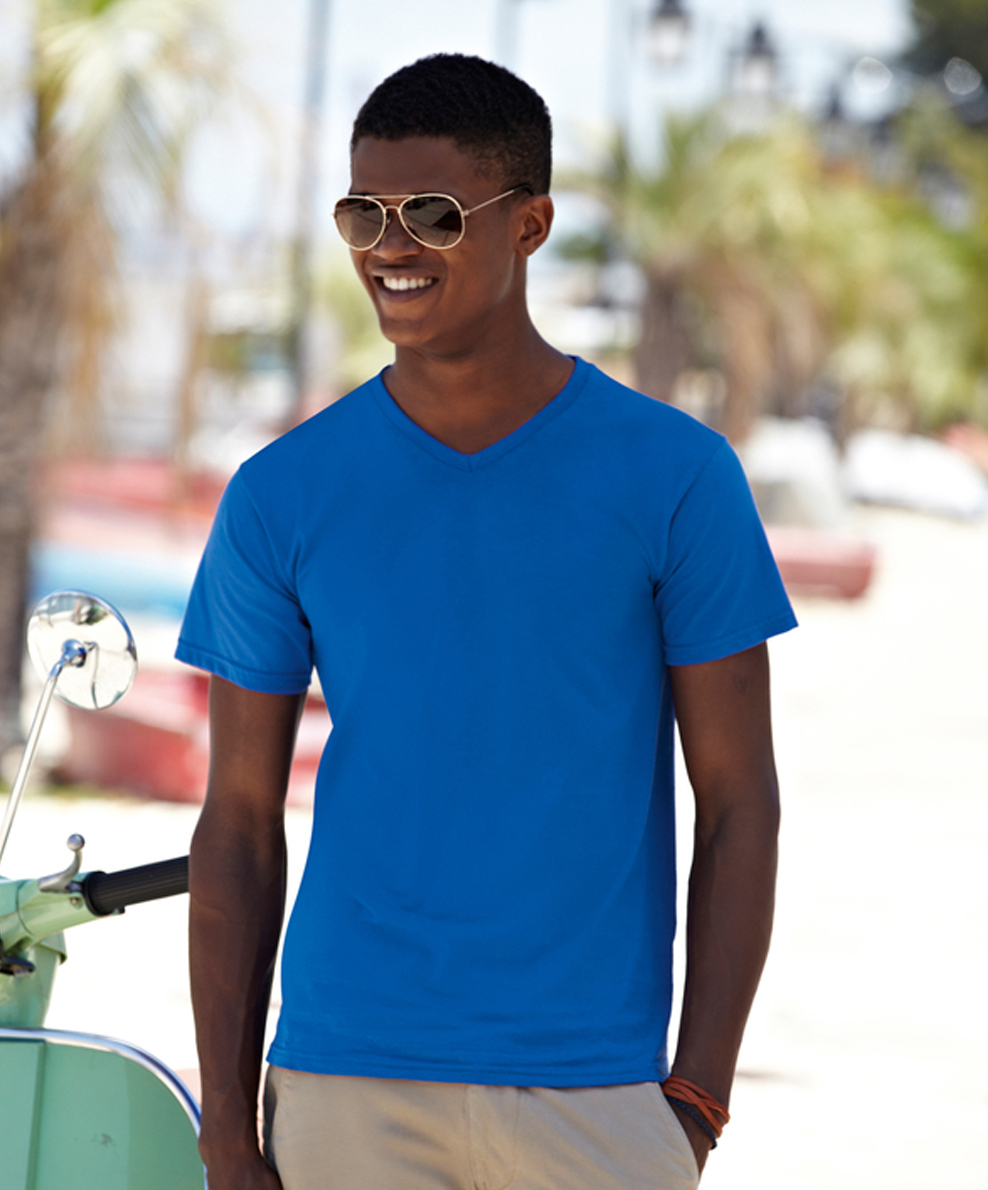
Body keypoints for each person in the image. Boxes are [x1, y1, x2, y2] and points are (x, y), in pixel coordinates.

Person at [177, 53, 797, 1190]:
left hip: (598, 1096)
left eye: (432, 214)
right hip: (345, 1084)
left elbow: (739, 803)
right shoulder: (281, 493)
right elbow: (239, 823)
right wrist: (225, 1127)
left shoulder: (676, 475)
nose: (391, 246)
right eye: (362, 214)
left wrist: (697, 1098)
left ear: (531, 224)